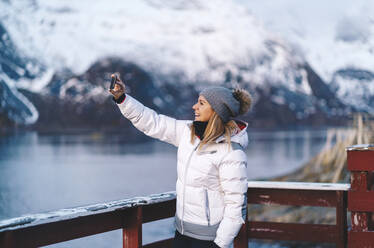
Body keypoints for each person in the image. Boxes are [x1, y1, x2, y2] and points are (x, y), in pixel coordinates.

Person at [109, 75, 252, 248]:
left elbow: (235, 207)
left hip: (209, 240)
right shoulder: (187, 133)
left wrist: (219, 244)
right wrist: (122, 99)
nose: (194, 106)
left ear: (216, 110)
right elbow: (153, 122)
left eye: (201, 103)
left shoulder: (232, 152)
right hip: (181, 232)